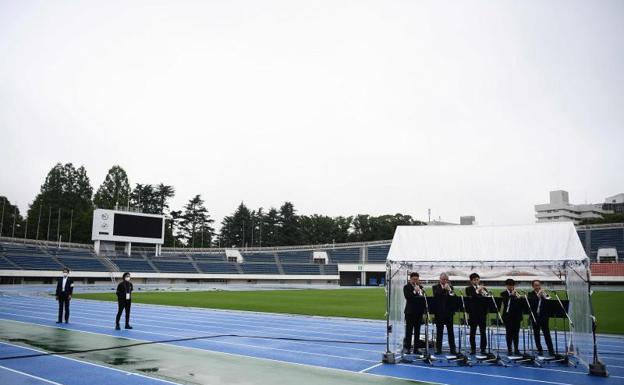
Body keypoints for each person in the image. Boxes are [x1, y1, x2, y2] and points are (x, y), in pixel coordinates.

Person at [527, 279, 554, 355]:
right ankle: (539, 349)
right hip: (535, 317)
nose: (537, 287)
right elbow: (532, 304)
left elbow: (549, 302)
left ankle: (551, 350)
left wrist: (544, 296)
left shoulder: (543, 294)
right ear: (533, 286)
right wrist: (538, 295)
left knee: (547, 334)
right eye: (536, 285)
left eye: (538, 285)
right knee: (536, 334)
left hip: (543, 316)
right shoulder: (530, 294)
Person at [432, 273, 457, 355]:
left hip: (449, 313)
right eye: (443, 279)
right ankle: (438, 348)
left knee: (451, 332)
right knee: (439, 332)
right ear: (440, 279)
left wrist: (449, 289)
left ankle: (452, 349)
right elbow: (437, 295)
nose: (445, 281)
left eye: (446, 279)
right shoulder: (435, 287)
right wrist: (444, 289)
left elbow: (454, 297)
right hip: (439, 313)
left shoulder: (450, 287)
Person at [465, 272, 489, 355]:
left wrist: (484, 292)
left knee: (483, 332)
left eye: (478, 279)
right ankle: (473, 349)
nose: (477, 281)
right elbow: (471, 297)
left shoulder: (483, 289)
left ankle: (483, 349)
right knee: (473, 332)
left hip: (482, 313)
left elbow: (487, 298)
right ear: (471, 281)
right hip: (473, 313)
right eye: (475, 280)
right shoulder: (468, 289)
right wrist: (477, 291)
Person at [403, 272, 425, 354]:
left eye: (417, 279)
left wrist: (420, 291)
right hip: (410, 312)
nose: (416, 281)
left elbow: (422, 298)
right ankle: (407, 348)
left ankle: (416, 348)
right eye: (414, 279)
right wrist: (415, 292)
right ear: (410, 279)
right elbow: (408, 297)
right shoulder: (406, 287)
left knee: (417, 331)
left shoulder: (421, 287)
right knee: (409, 331)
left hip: (418, 312)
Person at [500, 278, 522, 356]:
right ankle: (509, 349)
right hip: (507, 316)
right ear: (506, 286)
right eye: (509, 285)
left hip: (516, 316)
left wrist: (517, 296)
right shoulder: (503, 293)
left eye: (512, 285)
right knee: (509, 333)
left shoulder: (517, 293)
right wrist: (512, 296)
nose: (511, 287)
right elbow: (506, 302)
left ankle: (516, 349)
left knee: (516, 333)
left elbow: (520, 304)